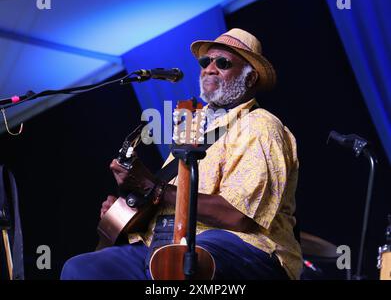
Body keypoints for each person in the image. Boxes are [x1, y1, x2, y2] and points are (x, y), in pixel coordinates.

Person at [61, 28, 302, 280]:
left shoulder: (261, 125)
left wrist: (155, 189)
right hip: (167, 245)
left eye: (222, 63)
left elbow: (237, 216)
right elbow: (169, 204)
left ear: (250, 78)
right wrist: (131, 200)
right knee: (81, 269)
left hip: (245, 251)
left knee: (185, 259)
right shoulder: (194, 128)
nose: (209, 68)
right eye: (205, 62)